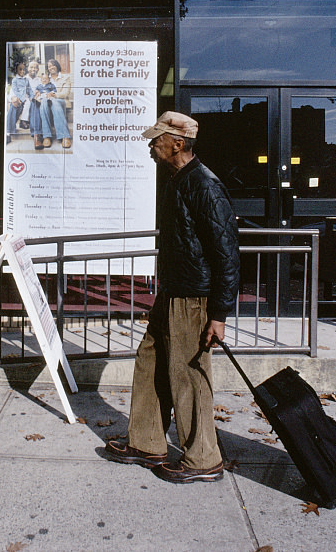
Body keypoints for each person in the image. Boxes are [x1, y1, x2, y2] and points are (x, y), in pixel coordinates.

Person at [104, 111, 240, 484]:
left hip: (193, 299)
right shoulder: (179, 180)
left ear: (177, 144)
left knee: (188, 376)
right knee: (149, 362)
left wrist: (219, 314)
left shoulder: (204, 186)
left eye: (156, 140)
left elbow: (227, 254)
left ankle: (203, 459)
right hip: (172, 293)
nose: (151, 146)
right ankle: (147, 442)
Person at [39, 58, 73, 148]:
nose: (51, 67)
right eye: (49, 66)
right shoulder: (45, 78)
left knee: (55, 102)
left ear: (57, 66)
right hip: (47, 102)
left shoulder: (65, 78)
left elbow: (66, 93)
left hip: (61, 101)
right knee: (43, 102)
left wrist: (54, 95)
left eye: (53, 65)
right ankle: (47, 136)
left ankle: (64, 136)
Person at [6, 60, 33, 144]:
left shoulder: (26, 80)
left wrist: (32, 96)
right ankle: (8, 131)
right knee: (13, 106)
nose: (22, 71)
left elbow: (30, 90)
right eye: (20, 69)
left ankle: (23, 120)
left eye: (24, 69)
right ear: (16, 70)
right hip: (19, 97)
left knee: (28, 103)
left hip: (25, 98)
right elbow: (15, 90)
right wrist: (20, 98)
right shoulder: (15, 80)